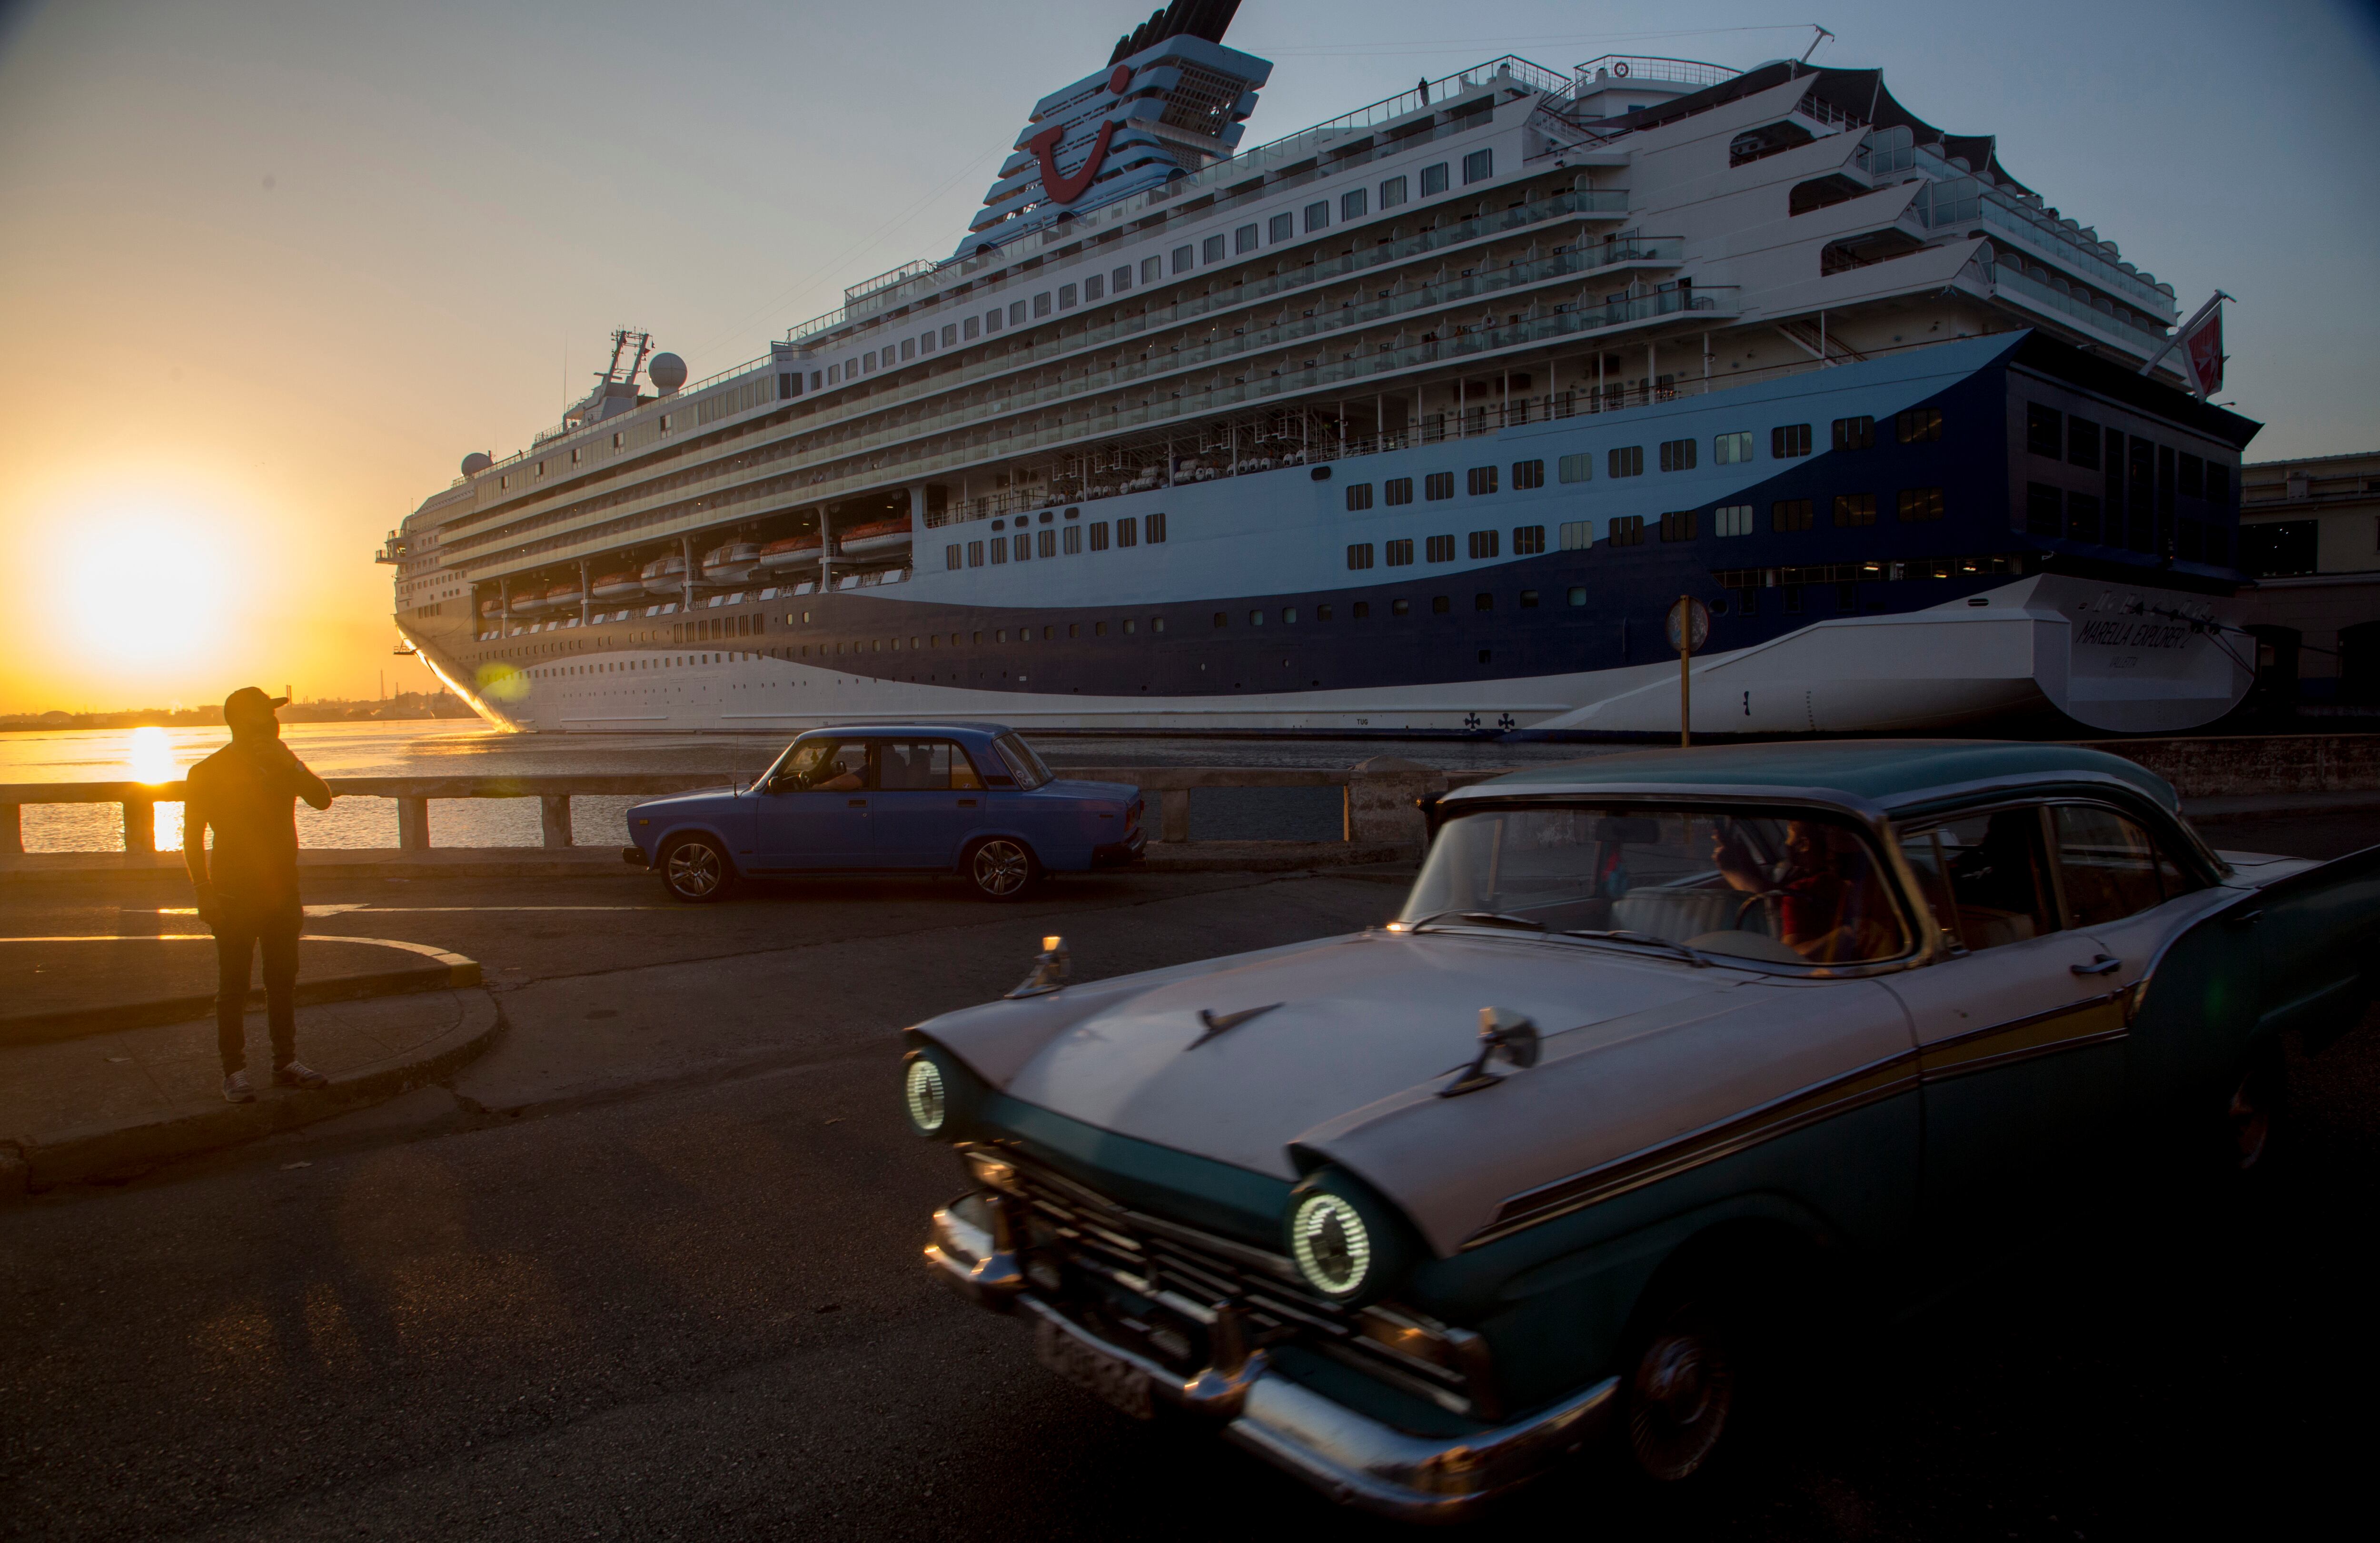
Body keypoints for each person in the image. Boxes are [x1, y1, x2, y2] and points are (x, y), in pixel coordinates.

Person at [183, 688, 335, 1102]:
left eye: (272, 714)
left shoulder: (283, 764)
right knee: (233, 987)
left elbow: (323, 800)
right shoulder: (207, 771)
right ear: (239, 721)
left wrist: (292, 763)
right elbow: (192, 838)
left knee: (282, 982)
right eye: (263, 714)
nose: (271, 721)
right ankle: (234, 1072)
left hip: (283, 891)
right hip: (232, 894)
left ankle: (285, 1062)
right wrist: (203, 891)